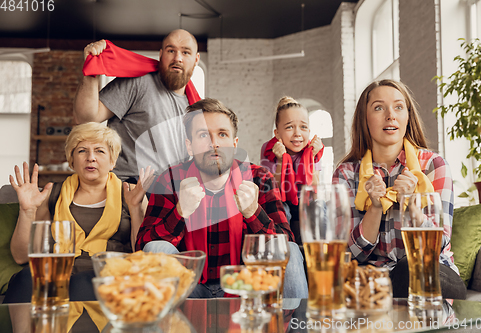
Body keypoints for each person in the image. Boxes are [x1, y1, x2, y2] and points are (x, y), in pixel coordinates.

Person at [136, 98, 308, 298]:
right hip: (187, 287)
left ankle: (297, 327)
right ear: (189, 146)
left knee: (288, 249)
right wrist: (180, 212)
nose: (214, 143)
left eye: (222, 134)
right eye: (203, 135)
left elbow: (287, 243)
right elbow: (144, 246)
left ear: (234, 144)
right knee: (157, 248)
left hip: (246, 285)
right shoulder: (170, 179)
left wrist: (254, 213)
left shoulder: (259, 177)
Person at [332, 79, 467, 299]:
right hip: (374, 279)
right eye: (378, 107)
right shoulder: (346, 174)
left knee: (412, 269)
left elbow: (437, 245)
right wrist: (375, 207)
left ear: (407, 116)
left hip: (431, 273)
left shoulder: (434, 165)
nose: (390, 115)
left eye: (398, 107)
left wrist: (412, 206)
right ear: (364, 120)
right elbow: (351, 253)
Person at [3, 122, 154, 303]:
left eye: (99, 151)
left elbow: (144, 255)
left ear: (112, 161)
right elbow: (21, 256)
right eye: (82, 151)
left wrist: (135, 208)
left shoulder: (131, 192)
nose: (91, 158)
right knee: (24, 279)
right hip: (57, 277)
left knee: (82, 283)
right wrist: (27, 210)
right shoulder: (53, 195)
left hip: (112, 278)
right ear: (72, 161)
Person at [73, 29, 201, 182]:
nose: (177, 58)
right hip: (128, 186)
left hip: (169, 191)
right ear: (161, 54)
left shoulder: (195, 107)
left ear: (196, 59)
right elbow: (86, 118)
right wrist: (91, 69)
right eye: (171, 50)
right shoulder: (138, 82)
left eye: (186, 52)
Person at [260, 96, 323, 245]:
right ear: (277, 133)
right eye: (289, 127)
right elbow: (271, 190)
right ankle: (286, 246)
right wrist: (281, 160)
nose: (297, 134)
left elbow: (315, 189)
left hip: (305, 200)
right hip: (281, 200)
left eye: (303, 127)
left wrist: (312, 157)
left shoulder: (313, 148)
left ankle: (320, 246)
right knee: (282, 211)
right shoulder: (269, 149)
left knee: (320, 207)